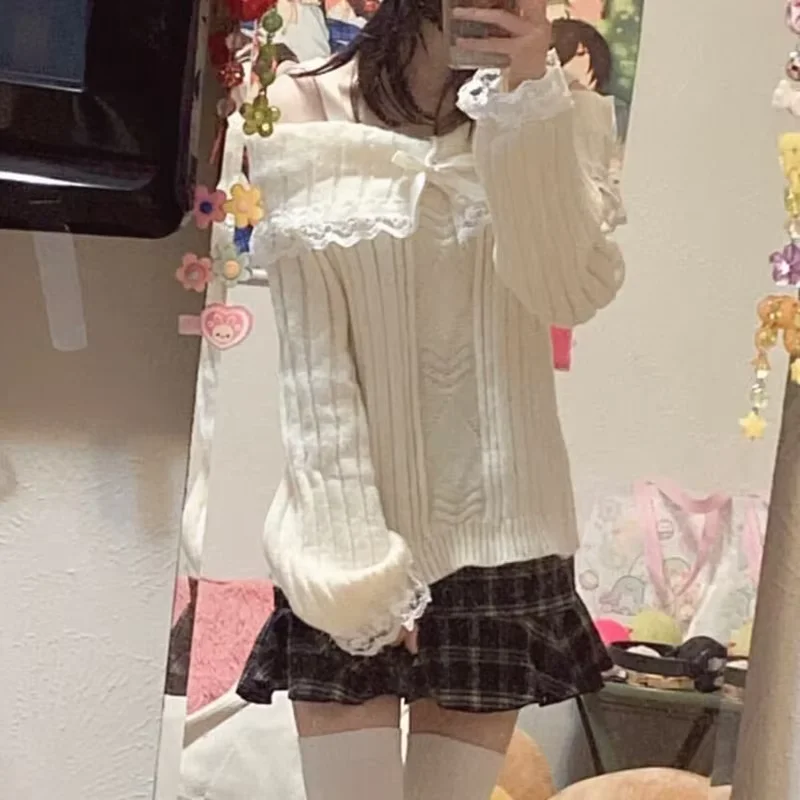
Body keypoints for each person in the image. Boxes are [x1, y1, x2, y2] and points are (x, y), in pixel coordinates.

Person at [236, 0, 625, 798]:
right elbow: (313, 372)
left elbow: (565, 289)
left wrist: (526, 94)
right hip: (345, 533)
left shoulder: (554, 107)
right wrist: (357, 577)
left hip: (502, 539)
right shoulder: (303, 105)